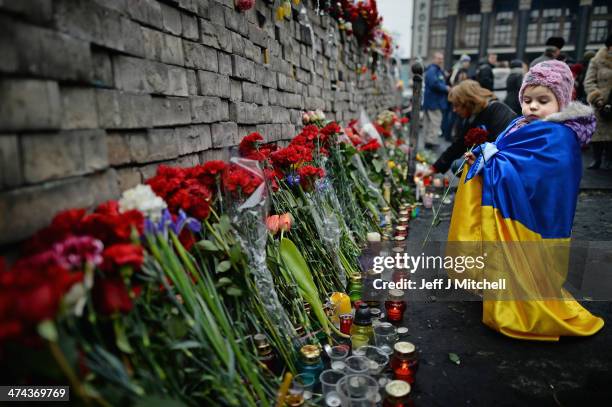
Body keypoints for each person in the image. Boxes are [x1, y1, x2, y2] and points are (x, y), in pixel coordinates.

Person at [450, 60, 603, 341]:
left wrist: (492, 159)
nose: (532, 107)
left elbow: (534, 172)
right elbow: (506, 154)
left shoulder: (559, 137)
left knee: (531, 265)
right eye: (527, 100)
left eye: (543, 100)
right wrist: (484, 156)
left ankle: (525, 304)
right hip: (518, 209)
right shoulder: (521, 124)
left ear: (562, 101)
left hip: (537, 219)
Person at [424, 80, 516, 175]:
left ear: (467, 102)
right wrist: (434, 168)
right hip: (491, 161)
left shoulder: (496, 109)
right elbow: (458, 145)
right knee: (458, 165)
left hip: (507, 163)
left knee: (460, 165)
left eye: (456, 105)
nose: (454, 110)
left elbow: (501, 145)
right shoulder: (475, 116)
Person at [584, 34, 612, 170]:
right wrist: (597, 98)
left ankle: (609, 159)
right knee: (598, 132)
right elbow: (589, 81)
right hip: (600, 102)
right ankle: (597, 159)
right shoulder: (597, 61)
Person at [422, 52, 449, 149]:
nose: (441, 60)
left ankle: (428, 141)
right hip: (434, 102)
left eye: (442, 58)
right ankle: (430, 142)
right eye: (438, 58)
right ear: (433, 59)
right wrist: (446, 88)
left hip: (433, 101)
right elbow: (434, 84)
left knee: (430, 122)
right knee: (435, 122)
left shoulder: (435, 70)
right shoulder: (433, 70)